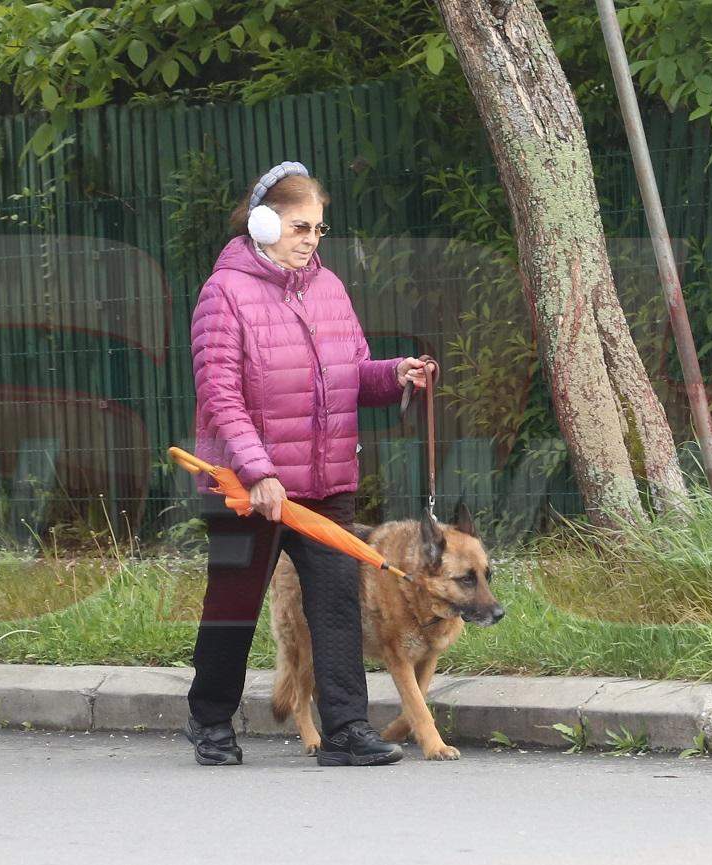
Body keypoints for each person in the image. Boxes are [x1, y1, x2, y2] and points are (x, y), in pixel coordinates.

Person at [184, 161, 431, 767]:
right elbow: (220, 395)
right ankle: (211, 721)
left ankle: (346, 729)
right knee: (232, 609)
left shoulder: (330, 289)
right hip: (247, 488)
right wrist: (257, 471)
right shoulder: (223, 294)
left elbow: (351, 377)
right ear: (264, 223)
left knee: (337, 605)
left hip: (324, 485)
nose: (312, 240)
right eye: (300, 227)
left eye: (319, 229)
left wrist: (396, 375)